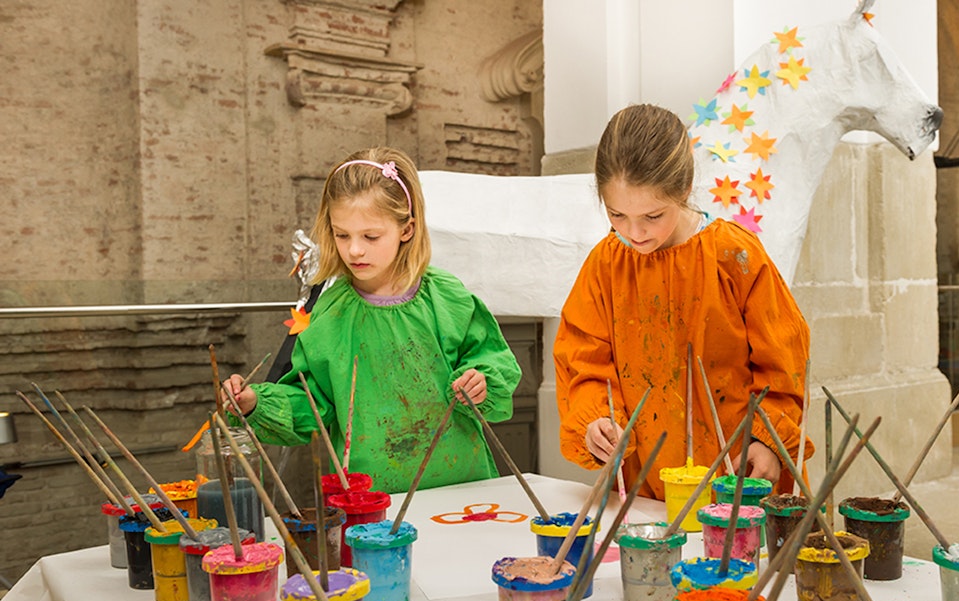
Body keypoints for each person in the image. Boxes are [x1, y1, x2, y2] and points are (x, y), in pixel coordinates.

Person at [224, 146, 522, 494]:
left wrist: (480, 381)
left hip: (461, 489)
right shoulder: (330, 315)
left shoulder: (447, 298)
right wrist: (256, 403)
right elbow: (313, 403)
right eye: (342, 235)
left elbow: (493, 361)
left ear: (407, 229)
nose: (354, 250)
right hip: (370, 499)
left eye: (370, 236)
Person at [554, 104, 812, 499]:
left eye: (653, 216)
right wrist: (596, 421)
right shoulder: (605, 265)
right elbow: (583, 360)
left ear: (685, 189)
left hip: (739, 474)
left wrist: (768, 438)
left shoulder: (733, 256)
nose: (635, 233)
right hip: (646, 487)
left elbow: (785, 361)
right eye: (617, 215)